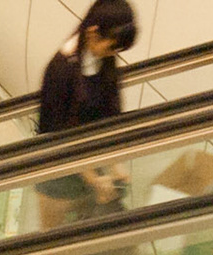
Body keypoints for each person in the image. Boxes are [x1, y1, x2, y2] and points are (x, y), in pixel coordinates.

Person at [34, 0, 137, 228]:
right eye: (112, 46)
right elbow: (57, 133)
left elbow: (110, 117)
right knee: (53, 241)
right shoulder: (61, 68)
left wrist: (113, 166)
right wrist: (92, 176)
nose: (114, 53)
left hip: (88, 163)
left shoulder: (105, 60)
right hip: (57, 168)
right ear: (92, 34)